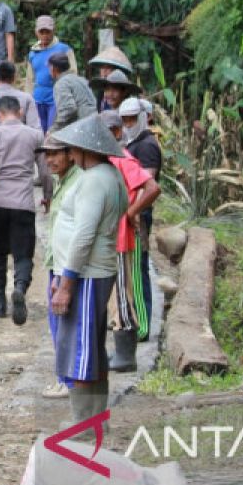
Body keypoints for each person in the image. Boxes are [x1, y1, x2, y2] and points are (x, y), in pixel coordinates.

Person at [46, 115, 128, 428]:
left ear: (83, 149)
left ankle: (83, 422)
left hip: (87, 274)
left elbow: (84, 234)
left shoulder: (95, 181)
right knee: (91, 345)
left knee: (80, 348)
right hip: (93, 271)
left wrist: (66, 283)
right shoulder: (109, 175)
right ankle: (96, 419)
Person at [0, 95, 52, 324]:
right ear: (21, 112)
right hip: (23, 204)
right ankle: (20, 288)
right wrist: (47, 195)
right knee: (23, 254)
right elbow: (45, 171)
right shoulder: (35, 136)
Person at [99, 111, 160, 371]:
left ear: (114, 133)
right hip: (109, 238)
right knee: (114, 295)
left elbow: (152, 187)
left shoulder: (123, 159)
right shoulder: (106, 160)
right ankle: (118, 351)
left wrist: (132, 212)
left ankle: (126, 355)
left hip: (121, 237)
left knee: (124, 295)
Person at [35, 132, 79, 399]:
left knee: (65, 324)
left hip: (66, 266)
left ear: (70, 154)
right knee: (58, 324)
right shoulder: (61, 182)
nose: (49, 160)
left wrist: (62, 275)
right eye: (46, 154)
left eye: (55, 154)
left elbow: (75, 234)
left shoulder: (75, 185)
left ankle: (69, 380)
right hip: (58, 264)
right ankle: (64, 377)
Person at [119, 96, 162, 343]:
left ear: (143, 118)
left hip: (139, 218)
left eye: (131, 119)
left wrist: (133, 212)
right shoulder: (133, 141)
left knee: (137, 270)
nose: (127, 124)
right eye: (124, 120)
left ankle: (142, 326)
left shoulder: (146, 145)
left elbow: (148, 186)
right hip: (133, 216)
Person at [26, 15, 77, 132]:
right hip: (38, 98)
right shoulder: (33, 52)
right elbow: (30, 79)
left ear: (53, 31)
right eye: (41, 32)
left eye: (47, 32)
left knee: (53, 131)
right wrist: (29, 98)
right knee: (38, 131)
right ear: (36, 32)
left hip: (56, 98)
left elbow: (73, 73)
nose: (45, 35)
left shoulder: (64, 49)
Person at [50, 54, 96, 132]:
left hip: (83, 127)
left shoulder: (61, 84)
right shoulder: (81, 79)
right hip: (95, 122)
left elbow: (68, 109)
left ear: (54, 69)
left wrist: (53, 130)